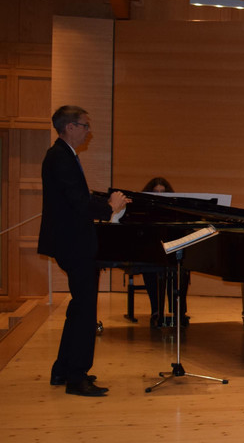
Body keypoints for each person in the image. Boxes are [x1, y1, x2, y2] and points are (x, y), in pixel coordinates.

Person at [38, 105, 128, 397]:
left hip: (71, 241)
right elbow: (77, 201)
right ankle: (77, 377)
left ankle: (63, 369)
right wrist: (109, 207)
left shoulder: (62, 155)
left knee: (79, 308)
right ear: (70, 127)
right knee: (86, 310)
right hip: (74, 243)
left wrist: (103, 203)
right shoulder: (60, 157)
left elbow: (76, 198)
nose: (89, 132)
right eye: (85, 125)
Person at [140, 177, 190, 328]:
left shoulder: (175, 211)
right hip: (152, 252)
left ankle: (178, 311)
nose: (159, 195)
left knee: (181, 270)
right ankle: (156, 310)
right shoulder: (144, 210)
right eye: (156, 192)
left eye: (162, 192)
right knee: (150, 269)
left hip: (171, 251)